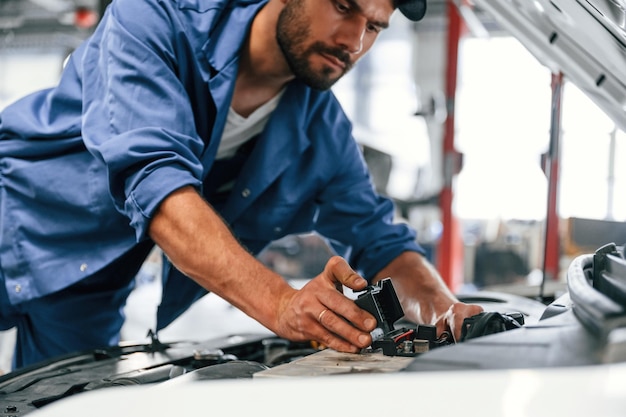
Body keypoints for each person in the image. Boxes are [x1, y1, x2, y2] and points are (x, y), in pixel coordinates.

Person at [0, 0, 483, 370]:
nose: (354, 41)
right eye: (342, 6)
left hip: (88, 285)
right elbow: (157, 185)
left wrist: (444, 311)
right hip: (12, 219)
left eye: (375, 26)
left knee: (61, 408)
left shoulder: (321, 131)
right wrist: (281, 302)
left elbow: (379, 241)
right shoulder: (154, 20)